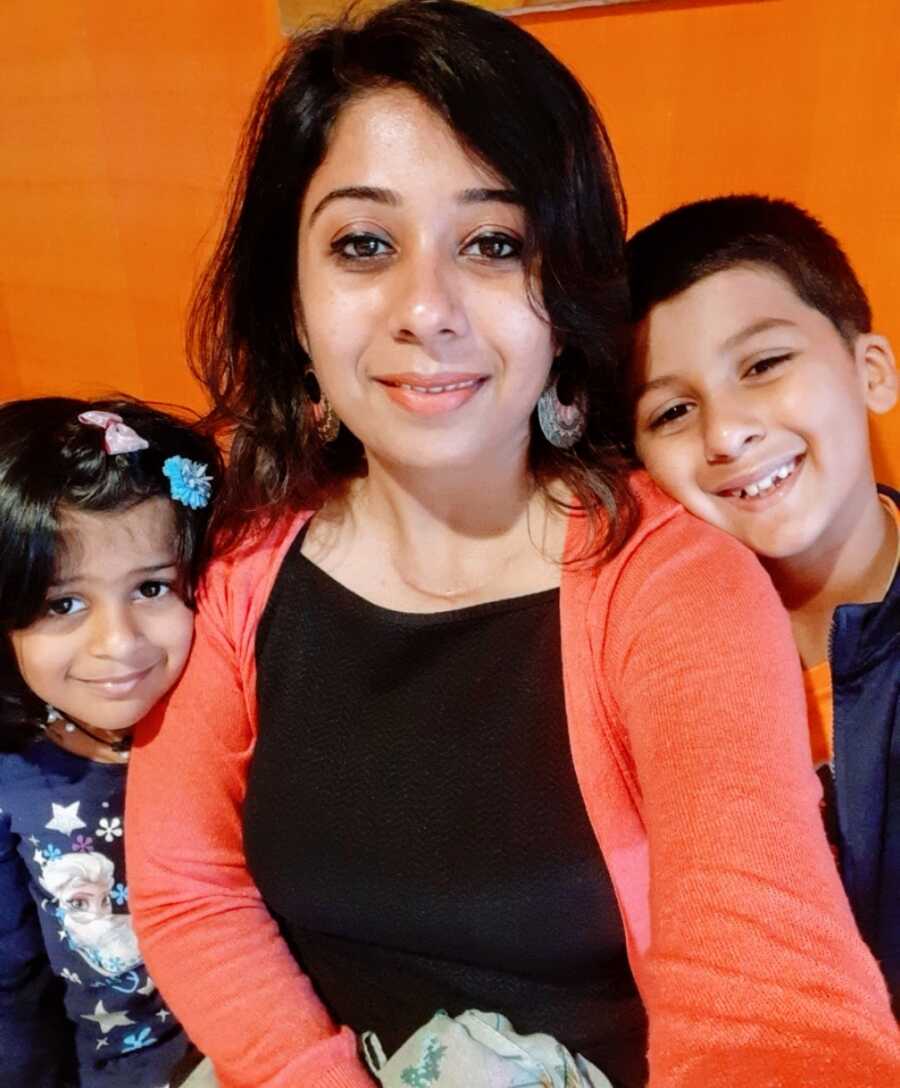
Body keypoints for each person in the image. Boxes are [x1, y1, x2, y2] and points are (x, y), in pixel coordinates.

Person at [126, 4, 899, 1087]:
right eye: (363, 244)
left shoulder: (673, 583)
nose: (426, 307)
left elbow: (775, 999)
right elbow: (187, 883)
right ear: (294, 305)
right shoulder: (241, 572)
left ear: (561, 297)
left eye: (492, 243)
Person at [626, 194, 900, 1010]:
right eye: (672, 411)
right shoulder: (650, 669)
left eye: (763, 365)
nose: (726, 433)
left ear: (871, 371)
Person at [0, 397, 221, 1087]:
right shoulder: (13, 783)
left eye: (152, 587)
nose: (119, 644)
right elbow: (14, 1006)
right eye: (63, 605)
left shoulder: (248, 731)